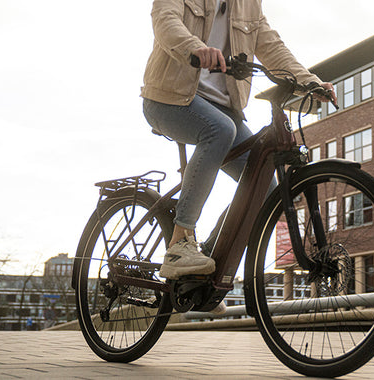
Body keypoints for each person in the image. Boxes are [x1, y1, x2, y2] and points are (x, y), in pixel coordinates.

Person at [140, 0, 336, 280]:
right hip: (168, 98)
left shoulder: (249, 5)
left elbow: (272, 47)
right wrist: (193, 47)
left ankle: (204, 264)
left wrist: (309, 81)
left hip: (223, 110)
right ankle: (180, 242)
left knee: (265, 188)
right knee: (220, 130)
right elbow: (165, 21)